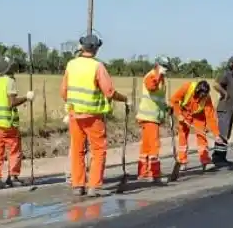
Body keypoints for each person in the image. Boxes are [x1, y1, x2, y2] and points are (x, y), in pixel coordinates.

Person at [59, 33, 129, 197]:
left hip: (75, 115)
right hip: (93, 117)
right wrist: (124, 99)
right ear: (96, 49)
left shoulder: (71, 65)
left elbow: (63, 92)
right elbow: (109, 92)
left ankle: (78, 185)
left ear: (82, 47)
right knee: (98, 150)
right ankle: (94, 186)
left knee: (77, 150)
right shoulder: (98, 67)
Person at [0, 55, 34, 189]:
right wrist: (27, 98)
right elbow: (12, 102)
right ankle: (13, 177)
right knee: (14, 149)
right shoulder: (10, 81)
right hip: (7, 123)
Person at [171, 79, 220, 171]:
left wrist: (216, 134)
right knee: (183, 136)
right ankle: (182, 161)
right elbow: (174, 99)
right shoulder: (187, 87)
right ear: (197, 90)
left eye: (203, 96)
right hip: (185, 113)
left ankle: (205, 161)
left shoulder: (207, 98)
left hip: (199, 116)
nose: (201, 98)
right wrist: (179, 114)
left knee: (202, 135)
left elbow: (210, 117)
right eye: (200, 95)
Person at [136, 56, 171, 183]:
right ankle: (154, 173)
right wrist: (158, 75)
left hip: (154, 116)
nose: (166, 70)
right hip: (149, 117)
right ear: (157, 65)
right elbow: (151, 87)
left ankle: (143, 173)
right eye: (164, 67)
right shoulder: (151, 76)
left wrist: (166, 107)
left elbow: (159, 99)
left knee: (146, 147)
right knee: (154, 146)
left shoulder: (162, 79)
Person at [212, 56, 233, 165]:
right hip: (224, 110)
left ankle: (222, 158)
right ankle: (217, 158)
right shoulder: (226, 74)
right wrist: (224, 93)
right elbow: (216, 84)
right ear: (231, 64)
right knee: (222, 134)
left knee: (226, 134)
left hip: (230, 110)